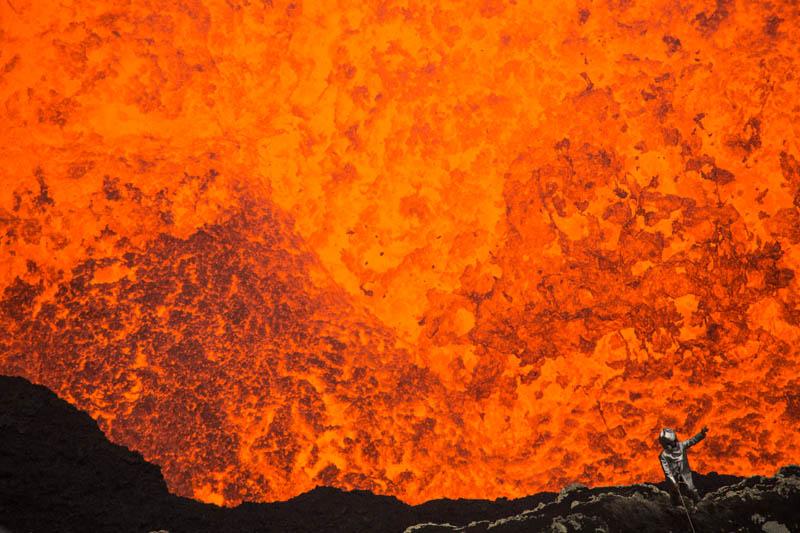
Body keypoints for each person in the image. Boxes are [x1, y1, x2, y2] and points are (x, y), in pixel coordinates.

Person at [658, 426, 708, 506]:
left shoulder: (681, 446)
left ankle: (699, 504)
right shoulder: (663, 456)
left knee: (691, 488)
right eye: (672, 443)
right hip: (673, 476)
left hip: (685, 472)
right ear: (666, 445)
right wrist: (673, 482)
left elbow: (692, 441)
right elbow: (667, 471)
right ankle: (675, 508)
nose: (675, 444)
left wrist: (701, 434)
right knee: (674, 493)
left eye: (675, 441)